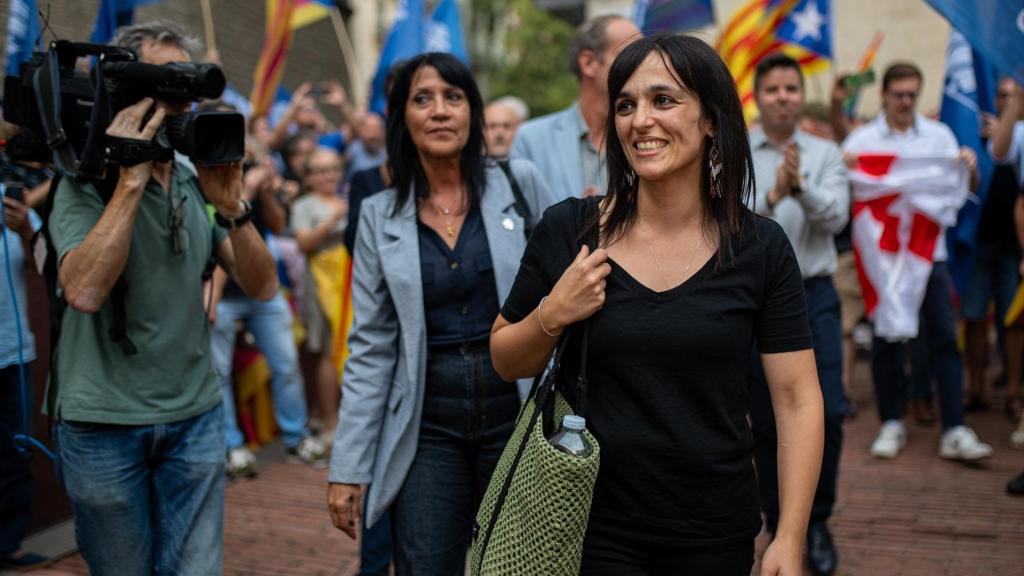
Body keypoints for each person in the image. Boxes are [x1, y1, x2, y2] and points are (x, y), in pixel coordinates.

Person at [491, 34, 824, 575]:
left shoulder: (760, 247)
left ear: (711, 119)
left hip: (714, 529)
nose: (640, 120)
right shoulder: (571, 230)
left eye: (663, 100)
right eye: (626, 104)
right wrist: (554, 311)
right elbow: (505, 358)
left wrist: (790, 535)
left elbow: (797, 401)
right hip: (587, 525)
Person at [48, 22, 278, 575]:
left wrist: (231, 208)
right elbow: (83, 290)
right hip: (103, 422)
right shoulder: (83, 184)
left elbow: (263, 285)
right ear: (125, 95)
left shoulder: (193, 180)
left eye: (187, 93)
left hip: (195, 415)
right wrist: (129, 178)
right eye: (167, 90)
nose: (181, 107)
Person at [325, 52, 557, 575]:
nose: (439, 111)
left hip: (517, 413)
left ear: (472, 111)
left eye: (453, 97)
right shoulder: (378, 215)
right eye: (422, 99)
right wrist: (348, 467)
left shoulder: (519, 182)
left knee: (520, 565)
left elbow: (566, 285)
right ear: (402, 119)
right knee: (425, 565)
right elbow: (371, 348)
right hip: (427, 429)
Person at [842, 62, 991, 461]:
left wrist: (968, 169)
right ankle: (891, 420)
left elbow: (964, 190)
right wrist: (848, 167)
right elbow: (847, 187)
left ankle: (955, 427)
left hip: (929, 253)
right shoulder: (863, 139)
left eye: (912, 94)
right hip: (883, 256)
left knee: (943, 333)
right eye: (899, 95)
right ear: (885, 95)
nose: (906, 102)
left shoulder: (940, 136)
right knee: (886, 337)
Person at [749, 54, 849, 576]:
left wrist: (802, 186)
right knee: (765, 421)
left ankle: (817, 519)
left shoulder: (827, 151)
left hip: (815, 296)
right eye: (774, 89)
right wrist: (774, 193)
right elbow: (731, 228)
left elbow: (836, 217)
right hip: (754, 303)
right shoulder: (734, 148)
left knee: (827, 412)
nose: (783, 97)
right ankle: (780, 522)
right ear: (758, 95)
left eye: (792, 88)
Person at [209, 159, 328, 479]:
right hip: (220, 293)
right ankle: (232, 446)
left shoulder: (256, 174)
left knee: (287, 363)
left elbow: (277, 226)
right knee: (218, 372)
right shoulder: (207, 177)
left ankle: (296, 437)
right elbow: (221, 238)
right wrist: (245, 189)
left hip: (262, 290)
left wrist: (264, 195)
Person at [512, 14, 640, 200]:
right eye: (629, 55)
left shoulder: (649, 137)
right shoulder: (530, 141)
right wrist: (572, 221)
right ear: (588, 63)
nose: (642, 65)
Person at [0, 184, 48, 570]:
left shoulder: (13, 205)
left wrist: (25, 232)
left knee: (16, 452)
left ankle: (9, 543)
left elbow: (47, 267)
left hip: (12, 353)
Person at [290, 147, 349, 442]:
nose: (329, 175)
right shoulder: (304, 205)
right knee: (327, 348)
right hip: (321, 282)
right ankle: (329, 421)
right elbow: (304, 244)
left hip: (349, 280)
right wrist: (332, 219)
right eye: (321, 171)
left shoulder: (345, 198)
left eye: (333, 169)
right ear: (309, 177)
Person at [988, 77, 1024, 423]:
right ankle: (1013, 394)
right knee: (1014, 323)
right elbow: (999, 152)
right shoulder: (1020, 131)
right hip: (1010, 246)